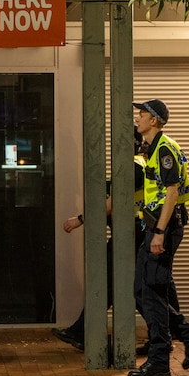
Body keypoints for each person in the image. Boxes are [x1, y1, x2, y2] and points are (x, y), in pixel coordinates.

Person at [129, 99, 189, 376]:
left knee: (150, 293)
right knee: (142, 291)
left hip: (162, 230)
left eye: (141, 115)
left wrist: (160, 233)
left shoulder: (164, 149)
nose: (137, 119)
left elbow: (172, 193)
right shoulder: (154, 149)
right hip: (155, 228)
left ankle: (160, 361)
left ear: (154, 120)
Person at [51, 127, 148, 351]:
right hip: (129, 234)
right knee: (113, 287)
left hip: (130, 236)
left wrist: (81, 219)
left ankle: (171, 332)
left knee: (131, 289)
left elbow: (113, 204)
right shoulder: (133, 164)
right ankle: (81, 331)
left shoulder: (132, 166)